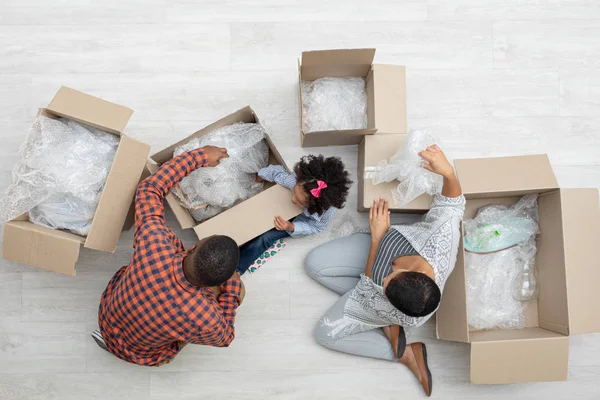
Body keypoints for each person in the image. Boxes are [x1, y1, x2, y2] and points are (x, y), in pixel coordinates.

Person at [305, 145, 465, 397]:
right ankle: (388, 326)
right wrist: (448, 173)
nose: (388, 269)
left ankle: (404, 354)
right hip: (377, 271)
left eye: (387, 281)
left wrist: (378, 240)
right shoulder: (440, 241)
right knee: (314, 264)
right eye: (393, 274)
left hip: (372, 294)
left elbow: (369, 286)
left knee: (325, 335)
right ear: (418, 274)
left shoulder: (406, 312)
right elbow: (453, 206)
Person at [92, 145, 245, 366]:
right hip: (140, 354)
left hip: (107, 318)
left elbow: (149, 189)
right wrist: (231, 290)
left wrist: (199, 156)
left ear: (193, 248)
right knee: (242, 292)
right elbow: (225, 338)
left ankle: (109, 341)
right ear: (216, 285)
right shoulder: (204, 317)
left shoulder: (154, 245)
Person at [237, 154, 352, 274]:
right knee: (250, 223)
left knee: (265, 238)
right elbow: (275, 171)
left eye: (299, 202)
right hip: (276, 205)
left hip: (295, 224)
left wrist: (291, 227)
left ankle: (238, 269)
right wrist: (259, 178)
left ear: (313, 206)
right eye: (294, 193)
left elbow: (316, 227)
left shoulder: (325, 211)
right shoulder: (294, 181)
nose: (293, 200)